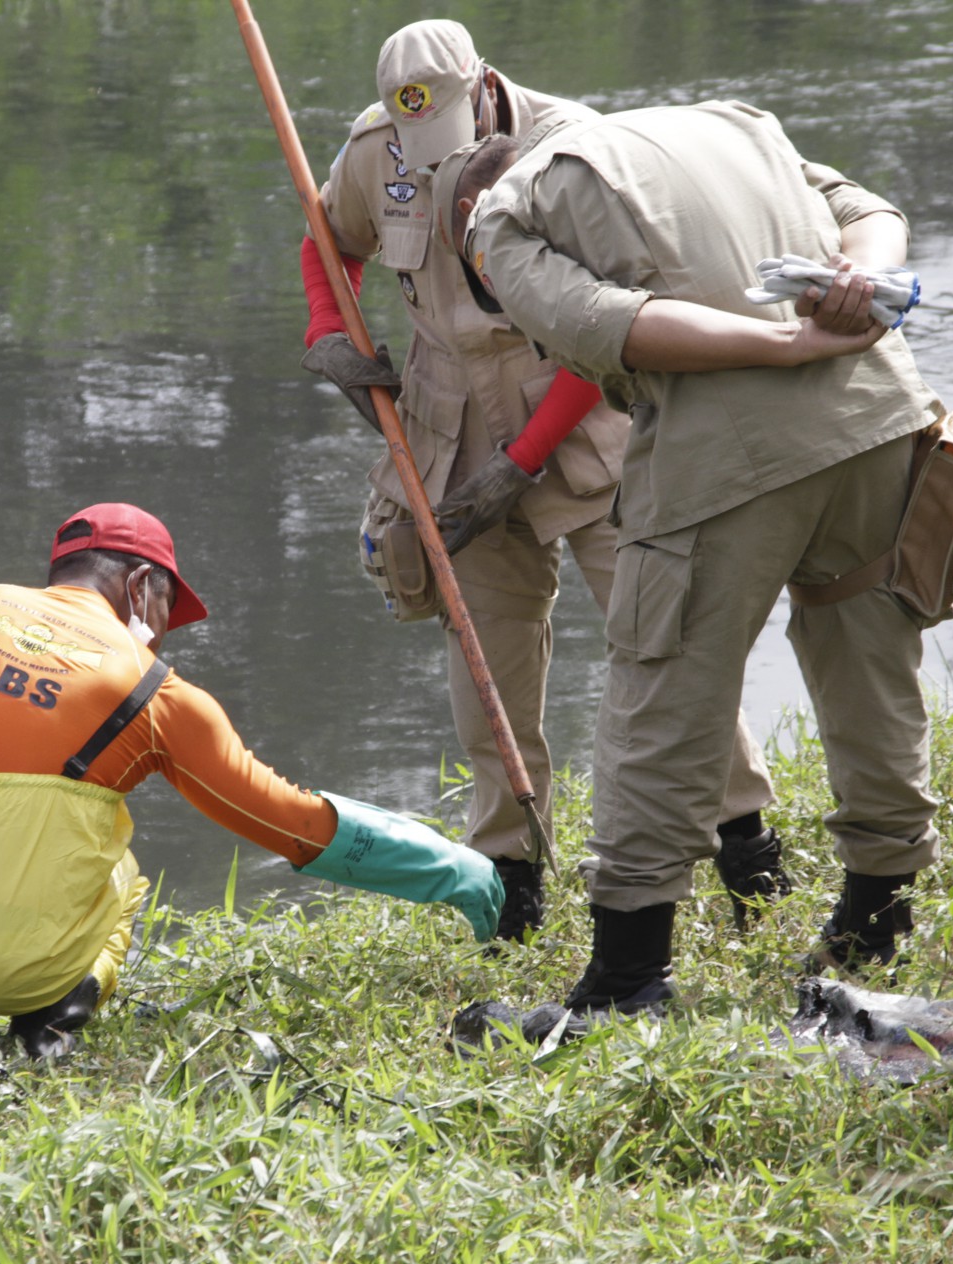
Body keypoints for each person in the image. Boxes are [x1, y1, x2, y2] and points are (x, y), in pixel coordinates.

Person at [440, 102, 949, 1014]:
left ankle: (629, 979)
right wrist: (853, 286)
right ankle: (879, 921)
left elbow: (618, 324)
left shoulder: (499, 221)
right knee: (873, 663)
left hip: (731, 458)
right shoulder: (734, 121)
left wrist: (793, 342)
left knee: (660, 691)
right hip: (881, 414)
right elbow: (873, 215)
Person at [0, 503, 503, 1060]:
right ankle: (44, 1041)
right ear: (141, 588)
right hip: (30, 969)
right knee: (121, 878)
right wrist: (463, 874)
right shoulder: (158, 696)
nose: (159, 631)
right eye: (164, 610)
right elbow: (297, 828)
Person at [299, 19, 783, 942]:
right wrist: (331, 329)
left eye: (451, 134)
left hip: (589, 414)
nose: (436, 162)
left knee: (661, 643)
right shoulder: (374, 150)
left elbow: (611, 325)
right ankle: (510, 878)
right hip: (447, 429)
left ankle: (747, 847)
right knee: (487, 663)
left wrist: (521, 465)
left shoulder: (576, 151)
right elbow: (326, 242)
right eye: (418, 143)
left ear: (485, 85)